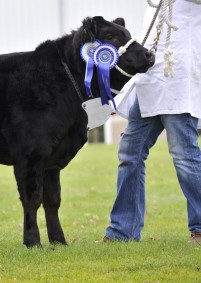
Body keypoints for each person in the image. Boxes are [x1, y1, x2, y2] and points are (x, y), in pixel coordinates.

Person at [101, 0, 201, 243]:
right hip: (152, 77)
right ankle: (123, 231)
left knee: (184, 154)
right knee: (130, 153)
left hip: (178, 74)